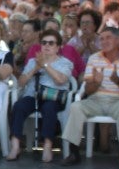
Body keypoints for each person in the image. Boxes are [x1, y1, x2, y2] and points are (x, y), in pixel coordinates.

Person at [60, 26, 119, 165]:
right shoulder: (94, 58)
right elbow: (88, 91)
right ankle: (74, 152)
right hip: (96, 99)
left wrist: (117, 80)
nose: (104, 41)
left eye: (108, 37)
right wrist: (96, 83)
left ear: (118, 40)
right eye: (101, 39)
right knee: (76, 106)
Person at [5, 32, 73, 162]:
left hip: (53, 97)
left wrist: (45, 66)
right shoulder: (32, 61)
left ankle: (47, 146)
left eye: (51, 43)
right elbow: (21, 82)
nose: (47, 45)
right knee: (18, 106)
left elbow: (60, 80)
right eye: (44, 42)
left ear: (58, 47)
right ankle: (15, 145)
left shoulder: (66, 63)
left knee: (49, 109)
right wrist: (35, 68)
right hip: (33, 96)